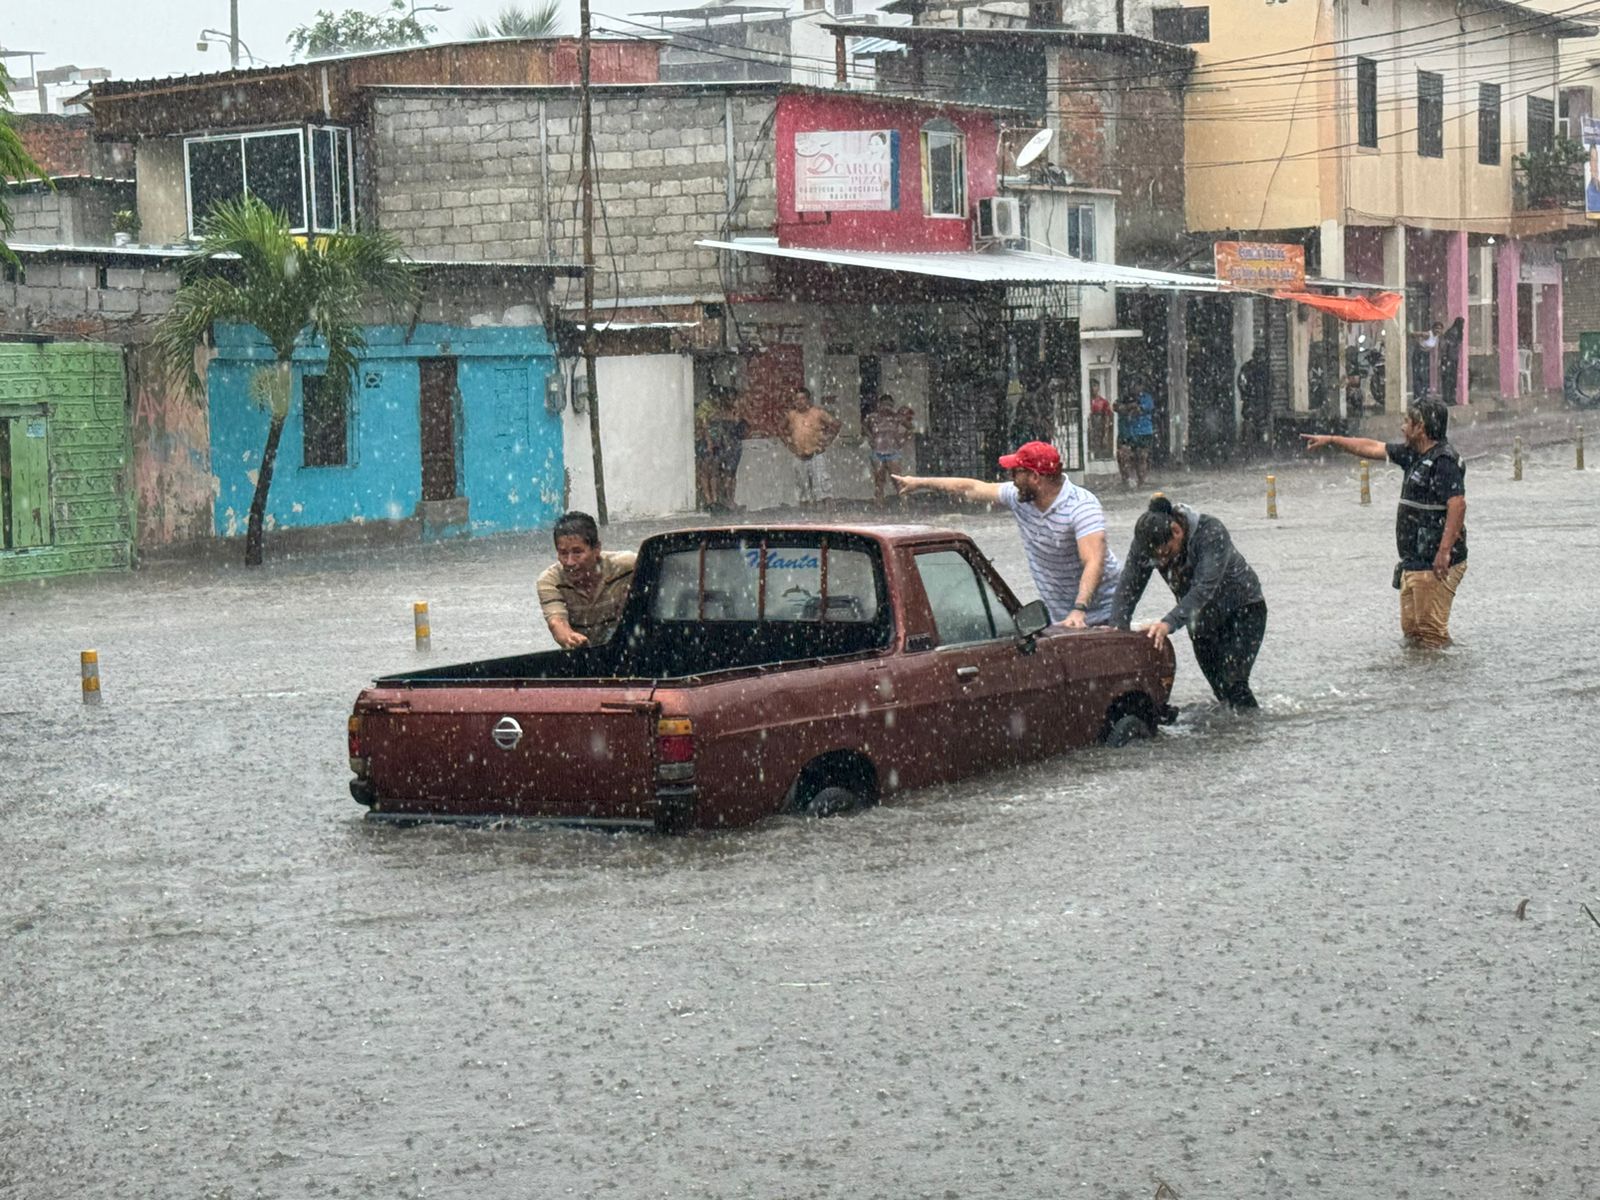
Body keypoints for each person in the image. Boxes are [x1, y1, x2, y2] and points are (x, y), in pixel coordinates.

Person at [892, 440, 1121, 627]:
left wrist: (1079, 609)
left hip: (1107, 611)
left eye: (1016, 471)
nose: (1011, 477)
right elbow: (971, 488)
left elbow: (1094, 561)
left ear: (1035, 477)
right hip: (1061, 616)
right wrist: (918, 483)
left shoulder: (1082, 506)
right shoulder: (1019, 497)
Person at [1301, 396, 1467, 648]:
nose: (1402, 427)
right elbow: (1372, 447)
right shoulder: (1414, 455)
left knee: (1432, 635)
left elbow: (1457, 505)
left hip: (1436, 562)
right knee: (1413, 634)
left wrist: (1443, 552)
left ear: (1420, 427)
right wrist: (1333, 440)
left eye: (1406, 422)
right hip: (1414, 560)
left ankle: (1442, 682)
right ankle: (1423, 682)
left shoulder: (1444, 461)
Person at [1109, 495, 1268, 710]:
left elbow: (1204, 589)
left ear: (1177, 531)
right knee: (1222, 691)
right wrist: (1117, 629)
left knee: (1234, 683)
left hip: (1244, 609)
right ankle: (1230, 737)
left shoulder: (1210, 532)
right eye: (1157, 560)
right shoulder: (1146, 542)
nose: (1163, 562)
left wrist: (1168, 623)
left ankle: (1253, 734)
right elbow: (1128, 587)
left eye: (1166, 553)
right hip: (1200, 620)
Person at [536, 511, 637, 650]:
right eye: (563, 553)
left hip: (626, 650)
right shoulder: (550, 581)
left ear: (596, 549)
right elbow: (556, 622)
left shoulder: (628, 566)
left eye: (577, 552)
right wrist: (570, 638)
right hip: (580, 655)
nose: (569, 562)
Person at [781, 387, 841, 506]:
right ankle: (806, 515)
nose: (799, 402)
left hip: (816, 455)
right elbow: (780, 428)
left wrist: (829, 439)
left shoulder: (817, 413)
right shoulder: (792, 415)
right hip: (799, 456)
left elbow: (836, 424)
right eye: (797, 399)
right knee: (802, 489)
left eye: (802, 398)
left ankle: (826, 516)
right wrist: (788, 444)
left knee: (823, 487)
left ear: (808, 400)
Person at [862, 392, 914, 505]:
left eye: (888, 405)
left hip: (893, 452)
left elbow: (910, 427)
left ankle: (905, 505)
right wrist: (870, 437)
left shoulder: (896, 417)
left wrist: (902, 440)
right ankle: (879, 504)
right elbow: (864, 426)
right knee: (879, 481)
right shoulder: (873, 417)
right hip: (877, 451)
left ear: (892, 405)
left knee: (898, 481)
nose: (886, 407)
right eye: (884, 404)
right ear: (879, 405)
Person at [1115, 388, 1156, 488]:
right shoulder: (1123, 398)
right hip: (1127, 433)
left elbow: (1139, 410)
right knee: (1123, 456)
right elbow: (1117, 407)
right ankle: (1127, 480)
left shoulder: (1146, 398)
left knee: (1141, 456)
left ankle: (1141, 481)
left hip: (1143, 432)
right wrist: (1129, 406)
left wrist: (1130, 408)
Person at [1238, 347, 1270, 451]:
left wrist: (1246, 394)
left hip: (1255, 402)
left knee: (1254, 425)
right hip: (1257, 402)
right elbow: (1242, 383)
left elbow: (1242, 383)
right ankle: (1258, 448)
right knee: (1258, 425)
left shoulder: (1249, 368)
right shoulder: (1263, 369)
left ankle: (1253, 448)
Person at [1410, 321, 1441, 397]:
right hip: (1419, 354)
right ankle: (1418, 395)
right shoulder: (1427, 335)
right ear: (1433, 328)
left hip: (1426, 355)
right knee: (1419, 375)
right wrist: (1417, 340)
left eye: (1440, 329)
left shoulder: (1437, 337)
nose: (1438, 330)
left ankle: (1422, 394)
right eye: (1437, 328)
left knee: (1425, 376)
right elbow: (1414, 334)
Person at [1437, 316, 1464, 406]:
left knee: (1449, 380)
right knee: (1450, 380)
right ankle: (1449, 398)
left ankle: (1449, 398)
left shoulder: (1453, 331)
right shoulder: (1454, 332)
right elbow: (1449, 346)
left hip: (1450, 359)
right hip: (1450, 359)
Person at [1088, 381, 1115, 461]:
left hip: (1099, 425)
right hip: (1090, 426)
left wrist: (1105, 430)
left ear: (1098, 387)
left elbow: (1107, 416)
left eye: (1095, 386)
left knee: (1099, 444)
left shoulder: (1103, 402)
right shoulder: (1087, 401)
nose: (1093, 389)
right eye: (1091, 386)